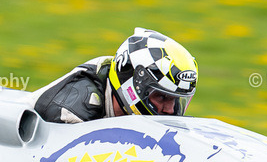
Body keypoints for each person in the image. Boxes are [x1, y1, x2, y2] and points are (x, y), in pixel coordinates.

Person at [33, 28, 198, 123]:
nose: (170, 110)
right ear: (131, 86)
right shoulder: (73, 112)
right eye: (161, 97)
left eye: (175, 99)